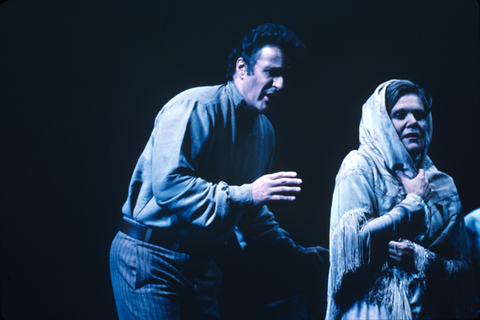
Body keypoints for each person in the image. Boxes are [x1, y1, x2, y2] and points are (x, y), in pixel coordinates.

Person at [109, 23, 328, 320]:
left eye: (285, 75)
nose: (280, 85)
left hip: (202, 268)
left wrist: (292, 253)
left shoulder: (265, 132)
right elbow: (170, 187)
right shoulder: (195, 106)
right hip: (150, 258)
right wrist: (248, 193)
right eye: (271, 72)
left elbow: (250, 214)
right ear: (242, 67)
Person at [326, 79, 474, 319]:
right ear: (381, 122)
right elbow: (350, 250)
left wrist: (421, 260)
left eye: (419, 115)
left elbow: (465, 272)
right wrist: (413, 202)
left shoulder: (443, 185)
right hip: (371, 310)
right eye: (399, 114)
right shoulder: (359, 166)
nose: (413, 122)